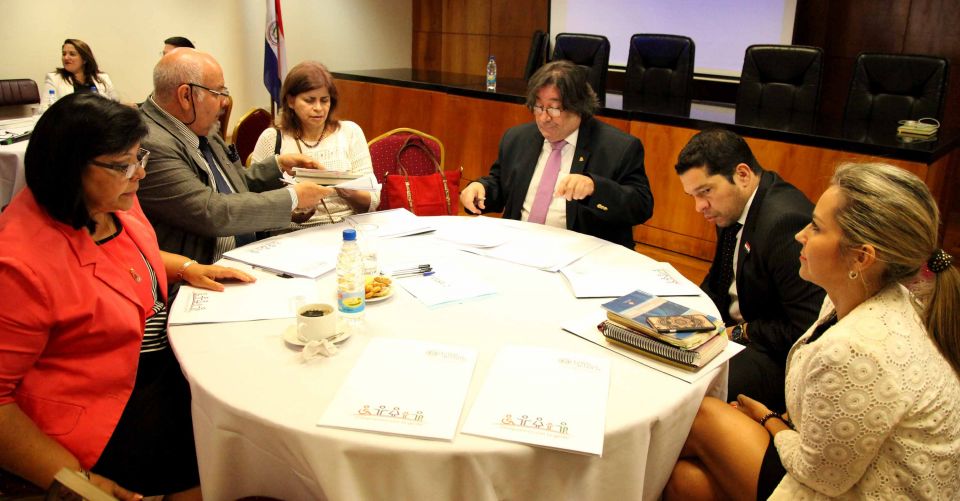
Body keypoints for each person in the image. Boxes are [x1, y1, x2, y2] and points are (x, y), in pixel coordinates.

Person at [0, 93, 257, 500]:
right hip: (102, 412)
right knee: (228, 453)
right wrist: (75, 479)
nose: (140, 174)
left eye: (140, 158)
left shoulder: (110, 200)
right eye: (124, 165)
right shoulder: (19, 266)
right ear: (69, 167)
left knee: (243, 395)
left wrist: (187, 267)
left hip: (153, 365)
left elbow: (123, 256)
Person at [664, 162, 960, 500]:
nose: (800, 235)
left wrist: (768, 419)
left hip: (860, 489)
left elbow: (821, 476)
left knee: (704, 416)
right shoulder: (861, 299)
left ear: (862, 258)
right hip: (848, 471)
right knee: (686, 481)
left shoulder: (859, 347)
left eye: (817, 228)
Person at [675, 129, 824, 410]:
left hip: (775, 356)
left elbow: (805, 327)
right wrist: (683, 318)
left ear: (742, 175)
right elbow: (719, 281)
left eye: (705, 191)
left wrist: (737, 332)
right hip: (734, 330)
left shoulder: (784, 223)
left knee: (683, 386)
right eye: (693, 195)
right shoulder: (732, 207)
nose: (699, 206)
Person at [138, 48, 329, 264]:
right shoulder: (151, 143)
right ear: (185, 96)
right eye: (218, 93)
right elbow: (211, 211)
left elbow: (231, 185)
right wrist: (292, 197)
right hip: (203, 270)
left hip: (251, 252)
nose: (225, 102)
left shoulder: (200, 126)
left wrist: (277, 166)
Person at [460, 60, 653, 248]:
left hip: (580, 255)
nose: (543, 118)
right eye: (538, 107)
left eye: (553, 108)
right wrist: (481, 188)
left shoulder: (618, 147)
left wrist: (595, 188)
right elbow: (500, 184)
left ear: (578, 106)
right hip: (517, 246)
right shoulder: (517, 138)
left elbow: (641, 206)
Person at [250, 61, 378, 223]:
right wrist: (291, 211)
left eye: (324, 100)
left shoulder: (350, 132)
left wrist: (347, 191)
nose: (318, 108)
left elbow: (373, 202)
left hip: (348, 227)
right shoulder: (271, 138)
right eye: (309, 100)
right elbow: (254, 203)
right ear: (290, 101)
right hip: (292, 231)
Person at [41, 39, 118, 112]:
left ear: (84, 59)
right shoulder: (54, 78)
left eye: (72, 54)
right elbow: (43, 110)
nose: (66, 57)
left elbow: (116, 105)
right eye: (64, 54)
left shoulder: (102, 77)